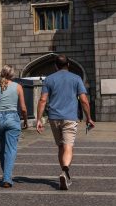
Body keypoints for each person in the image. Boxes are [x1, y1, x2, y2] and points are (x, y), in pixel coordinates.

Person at [35, 53, 94, 190]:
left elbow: (43, 100)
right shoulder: (76, 78)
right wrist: (89, 118)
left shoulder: (49, 79)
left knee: (61, 146)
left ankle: (65, 173)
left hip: (54, 118)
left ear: (56, 66)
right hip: (70, 117)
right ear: (68, 65)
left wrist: (39, 119)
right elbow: (84, 100)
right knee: (68, 146)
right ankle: (65, 171)